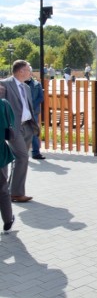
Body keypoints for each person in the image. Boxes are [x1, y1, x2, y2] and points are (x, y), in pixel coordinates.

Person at [0, 60, 39, 203]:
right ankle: (16, 193)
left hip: (27, 127)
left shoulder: (26, 87)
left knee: (19, 159)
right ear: (21, 71)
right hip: (14, 128)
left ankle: (11, 191)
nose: (31, 72)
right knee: (22, 157)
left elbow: (28, 107)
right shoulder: (5, 84)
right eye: (29, 69)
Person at [0, 85, 15, 232]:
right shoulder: (4, 104)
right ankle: (8, 221)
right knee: (2, 188)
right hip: (0, 152)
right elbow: (11, 126)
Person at [25, 68, 46, 160]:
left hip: (34, 112)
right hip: (22, 112)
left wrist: (32, 105)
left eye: (29, 71)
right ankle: (22, 154)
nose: (28, 73)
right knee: (21, 132)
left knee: (34, 132)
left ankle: (36, 153)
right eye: (26, 71)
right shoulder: (20, 84)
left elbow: (41, 97)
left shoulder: (37, 84)